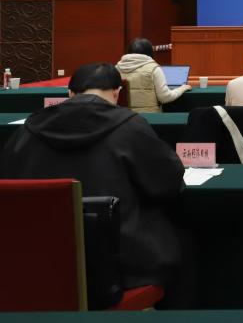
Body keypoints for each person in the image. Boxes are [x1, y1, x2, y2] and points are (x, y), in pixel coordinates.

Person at [0, 63, 186, 302]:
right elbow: (167, 182)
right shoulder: (130, 127)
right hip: (122, 266)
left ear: (69, 93)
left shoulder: (28, 130)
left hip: (35, 264)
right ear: (117, 93)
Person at [115, 38, 192, 113]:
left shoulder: (116, 68)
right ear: (150, 52)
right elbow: (165, 97)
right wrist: (182, 88)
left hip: (123, 118)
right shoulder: (154, 68)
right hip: (150, 118)